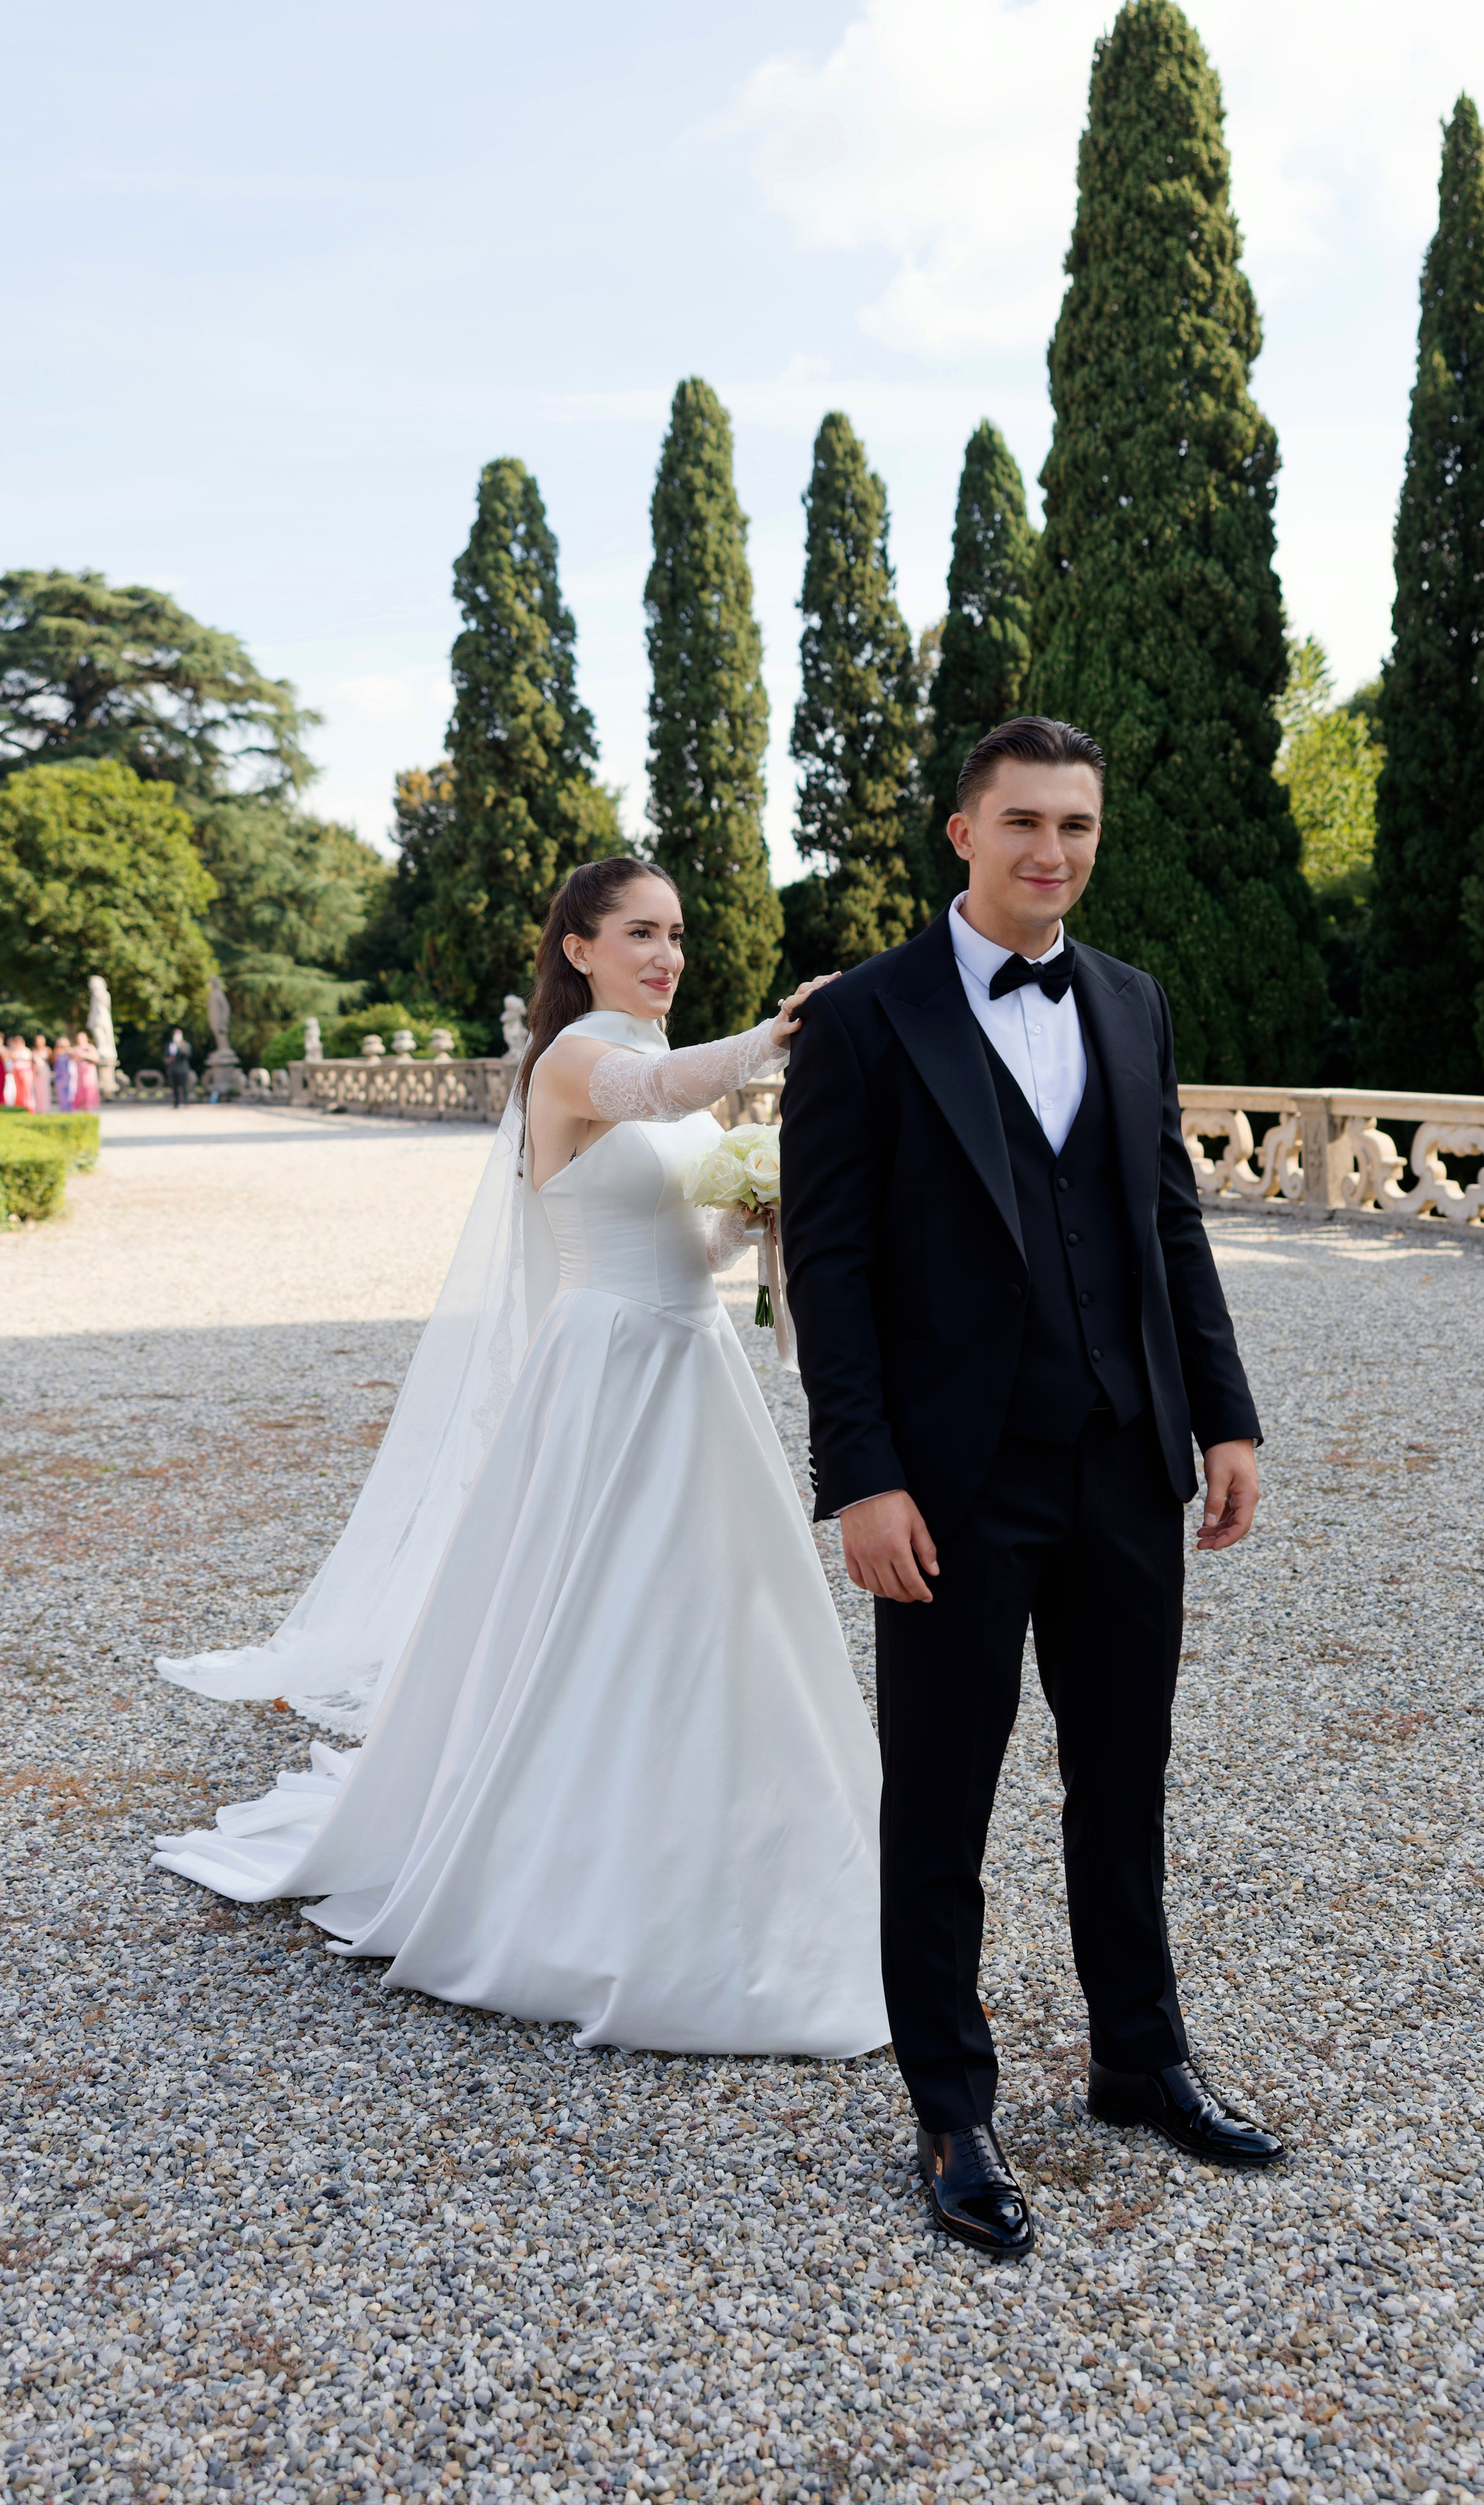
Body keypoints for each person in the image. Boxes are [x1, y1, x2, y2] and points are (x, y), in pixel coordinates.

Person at [155, 857, 887, 2061]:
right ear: (579, 948)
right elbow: (655, 1089)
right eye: (641, 934)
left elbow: (684, 1247)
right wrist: (779, 1032)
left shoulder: (669, 1086)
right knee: (598, 1611)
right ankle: (569, 1867)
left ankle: (732, 1841)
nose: (667, 955)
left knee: (716, 1619)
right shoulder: (572, 1064)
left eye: (679, 934)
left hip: (691, 1366)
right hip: (605, 1371)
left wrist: (752, 1220)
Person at [780, 716, 1284, 2262]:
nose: (1049, 851)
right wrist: (858, 1475)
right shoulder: (864, 1018)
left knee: (1119, 1776)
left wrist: (1224, 1413)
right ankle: (951, 2107)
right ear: (960, 831)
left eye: (1073, 822)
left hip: (1123, 1462)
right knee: (938, 1800)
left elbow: (1165, 1221)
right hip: (946, 1484)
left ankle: (1137, 2057)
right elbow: (831, 1265)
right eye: (1020, 822)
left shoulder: (1128, 1000)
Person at [164, 1028, 193, 1108]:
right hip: (173, 1069)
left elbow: (188, 1054)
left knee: (184, 1087)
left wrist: (180, 1046)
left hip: (183, 1069)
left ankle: (185, 1102)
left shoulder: (185, 1045)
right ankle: (176, 1103)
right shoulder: (169, 1045)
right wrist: (167, 1060)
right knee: (174, 1087)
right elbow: (165, 1056)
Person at [72, 1031, 100, 1111]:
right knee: (80, 1090)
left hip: (89, 1072)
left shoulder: (90, 1047)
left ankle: (90, 1108)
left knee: (89, 1088)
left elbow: (97, 1059)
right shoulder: (76, 1049)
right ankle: (82, 1108)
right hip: (80, 1072)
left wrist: (85, 1056)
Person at [52, 1036, 76, 1112]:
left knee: (71, 1094)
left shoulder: (70, 1051)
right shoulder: (56, 1052)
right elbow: (53, 1061)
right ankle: (63, 1111)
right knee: (61, 1095)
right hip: (60, 1076)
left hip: (69, 1076)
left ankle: (71, 1110)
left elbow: (74, 1058)